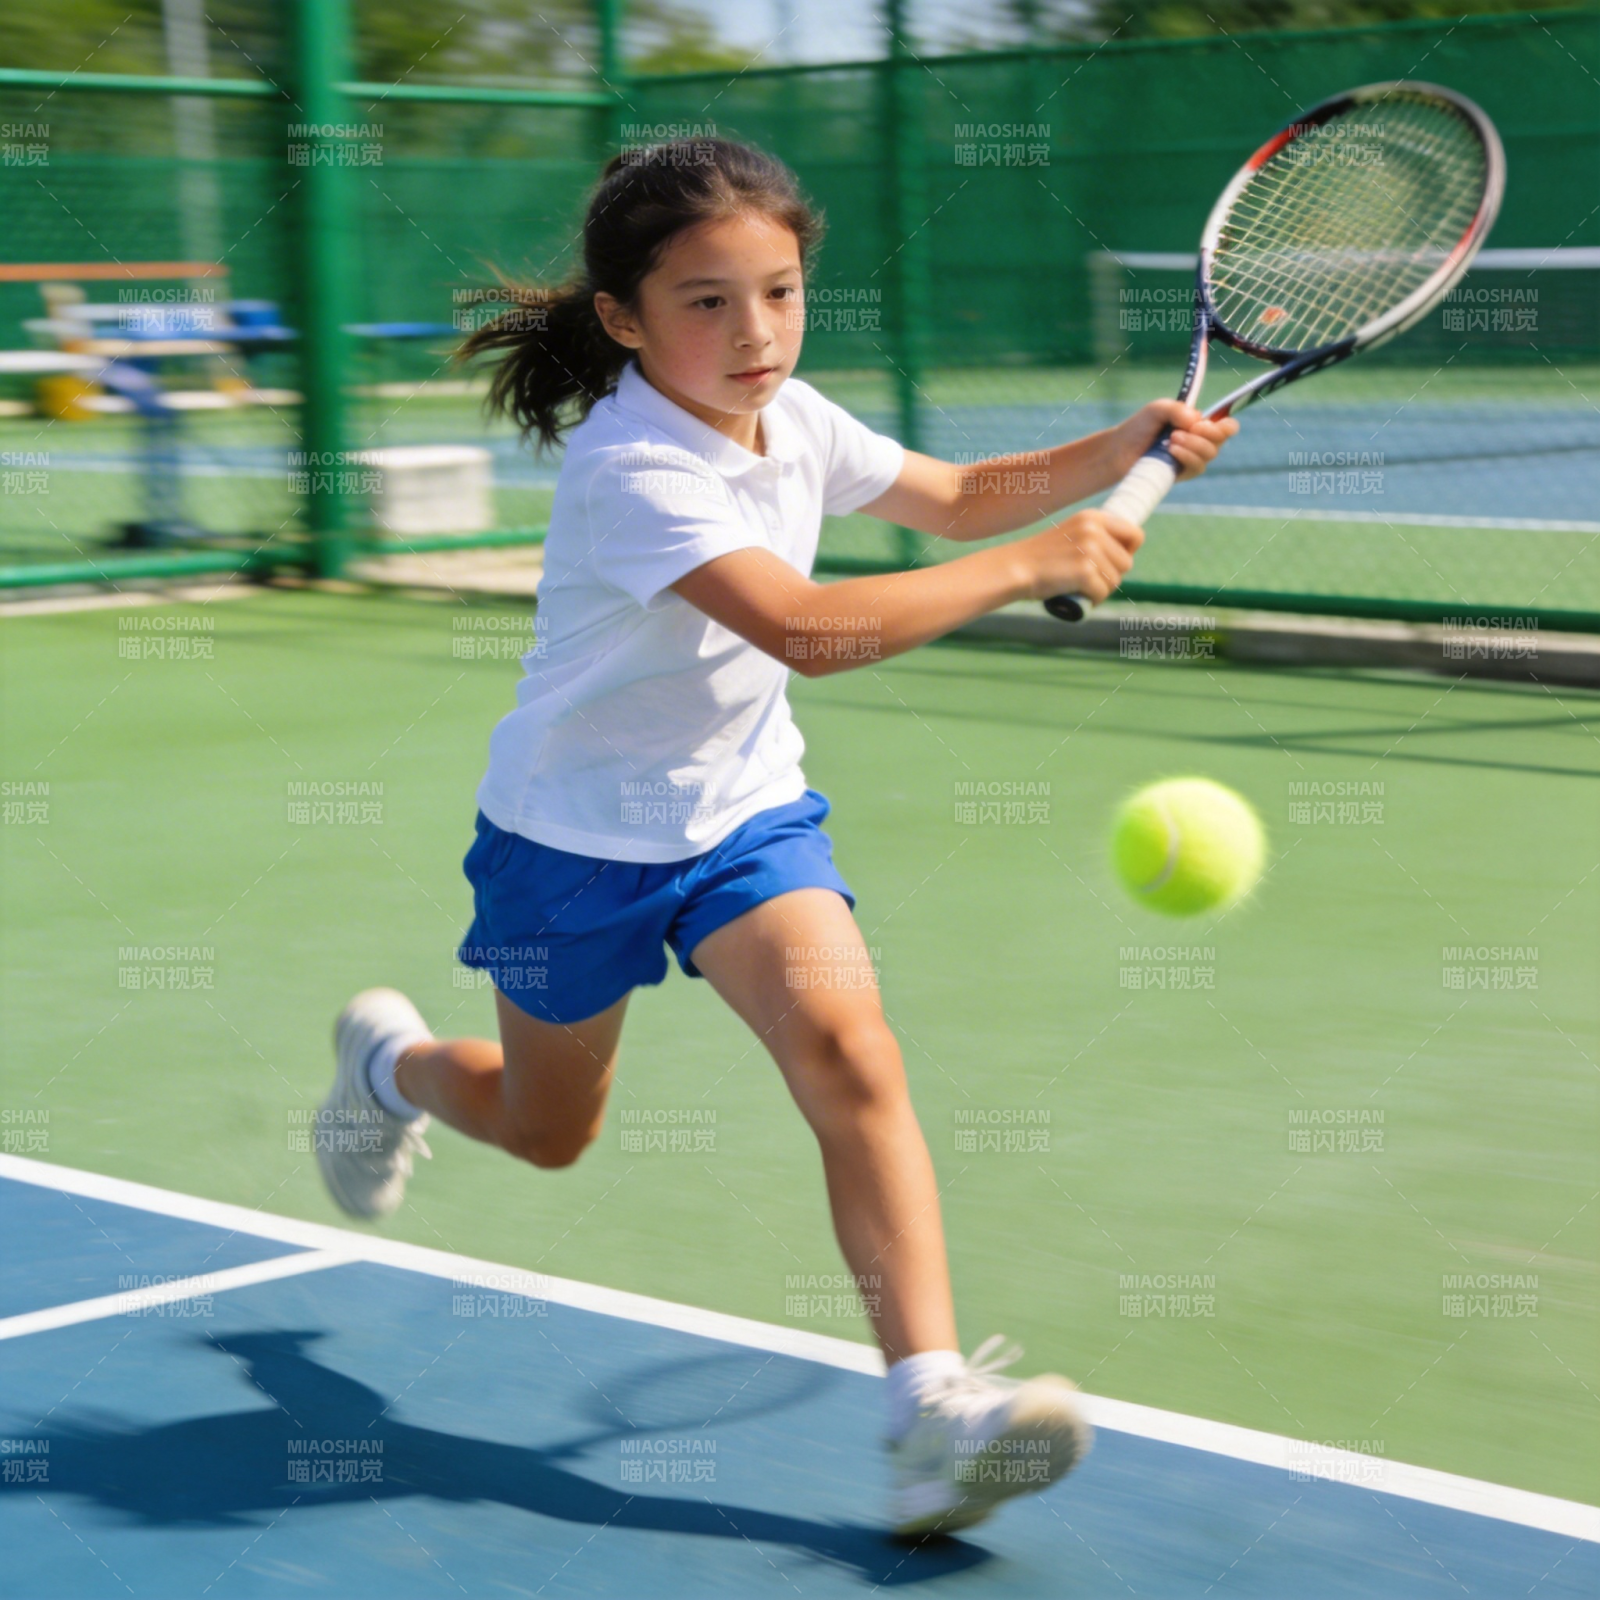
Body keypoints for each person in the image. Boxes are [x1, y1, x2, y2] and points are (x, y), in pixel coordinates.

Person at [315, 138, 1235, 1536]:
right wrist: (1030, 568)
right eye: (706, 302)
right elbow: (807, 630)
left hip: (744, 820)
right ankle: (388, 1066)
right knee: (547, 1131)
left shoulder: (792, 416)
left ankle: (931, 1414)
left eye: (781, 292)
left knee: (853, 1052)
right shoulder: (632, 466)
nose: (755, 334)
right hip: (568, 845)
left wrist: (1113, 454)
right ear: (623, 317)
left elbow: (950, 494)